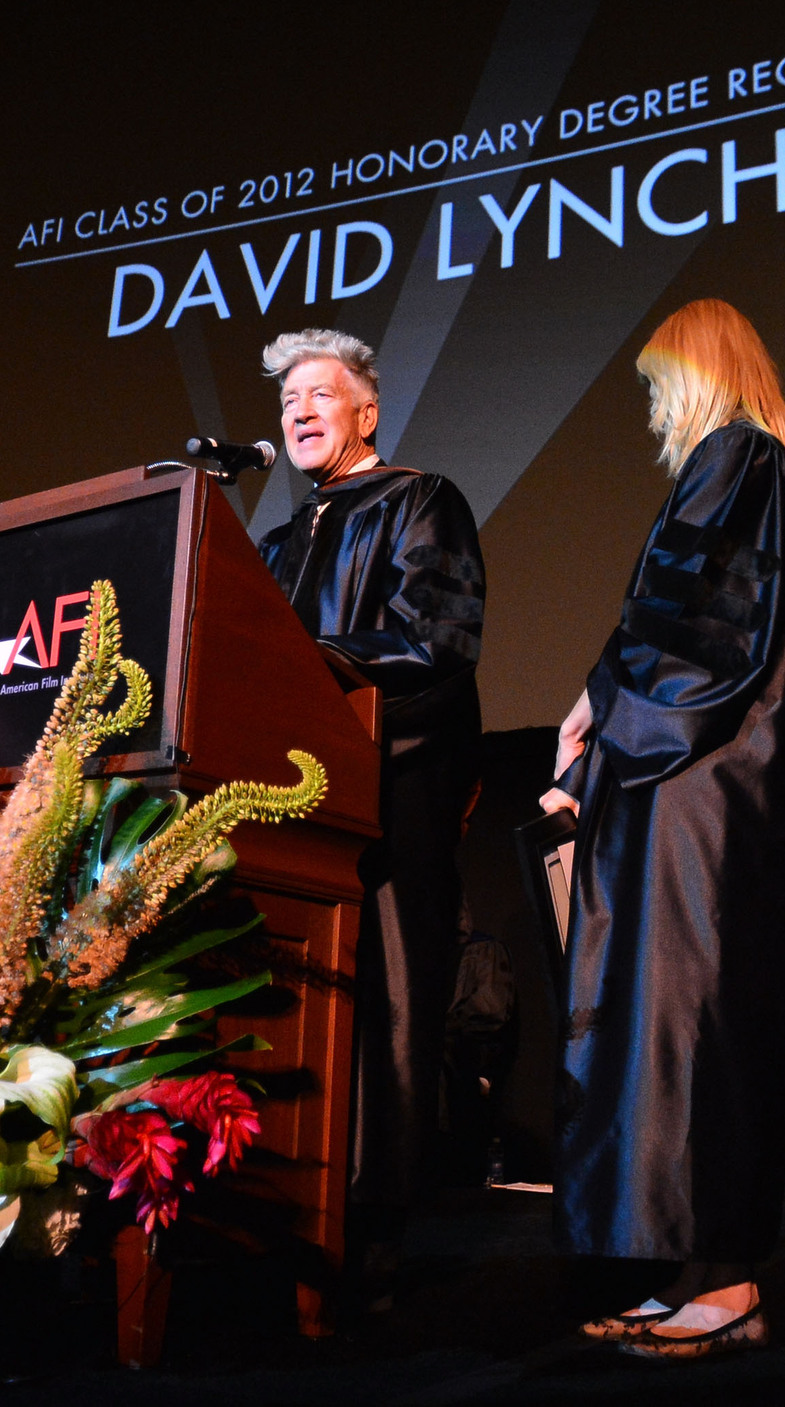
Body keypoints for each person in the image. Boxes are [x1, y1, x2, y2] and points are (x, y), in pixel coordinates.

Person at [541, 299, 785, 1358]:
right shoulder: (746, 472)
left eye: (659, 384)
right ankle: (690, 1271)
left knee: (693, 1023)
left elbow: (699, 632)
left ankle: (728, 1285)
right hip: (692, 780)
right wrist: (594, 699)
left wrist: (604, 723)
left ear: (699, 372)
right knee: (671, 1022)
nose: (653, 408)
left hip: (701, 784)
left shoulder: (738, 460)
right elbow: (664, 619)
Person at [254, 328, 486, 1295]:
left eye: (320, 392)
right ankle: (271, 1201)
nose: (301, 410)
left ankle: (375, 1224)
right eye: (287, 399)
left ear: (366, 410)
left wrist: (315, 677)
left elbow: (437, 643)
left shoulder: (420, 500)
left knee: (387, 1002)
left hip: (387, 799)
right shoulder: (269, 542)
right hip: (281, 812)